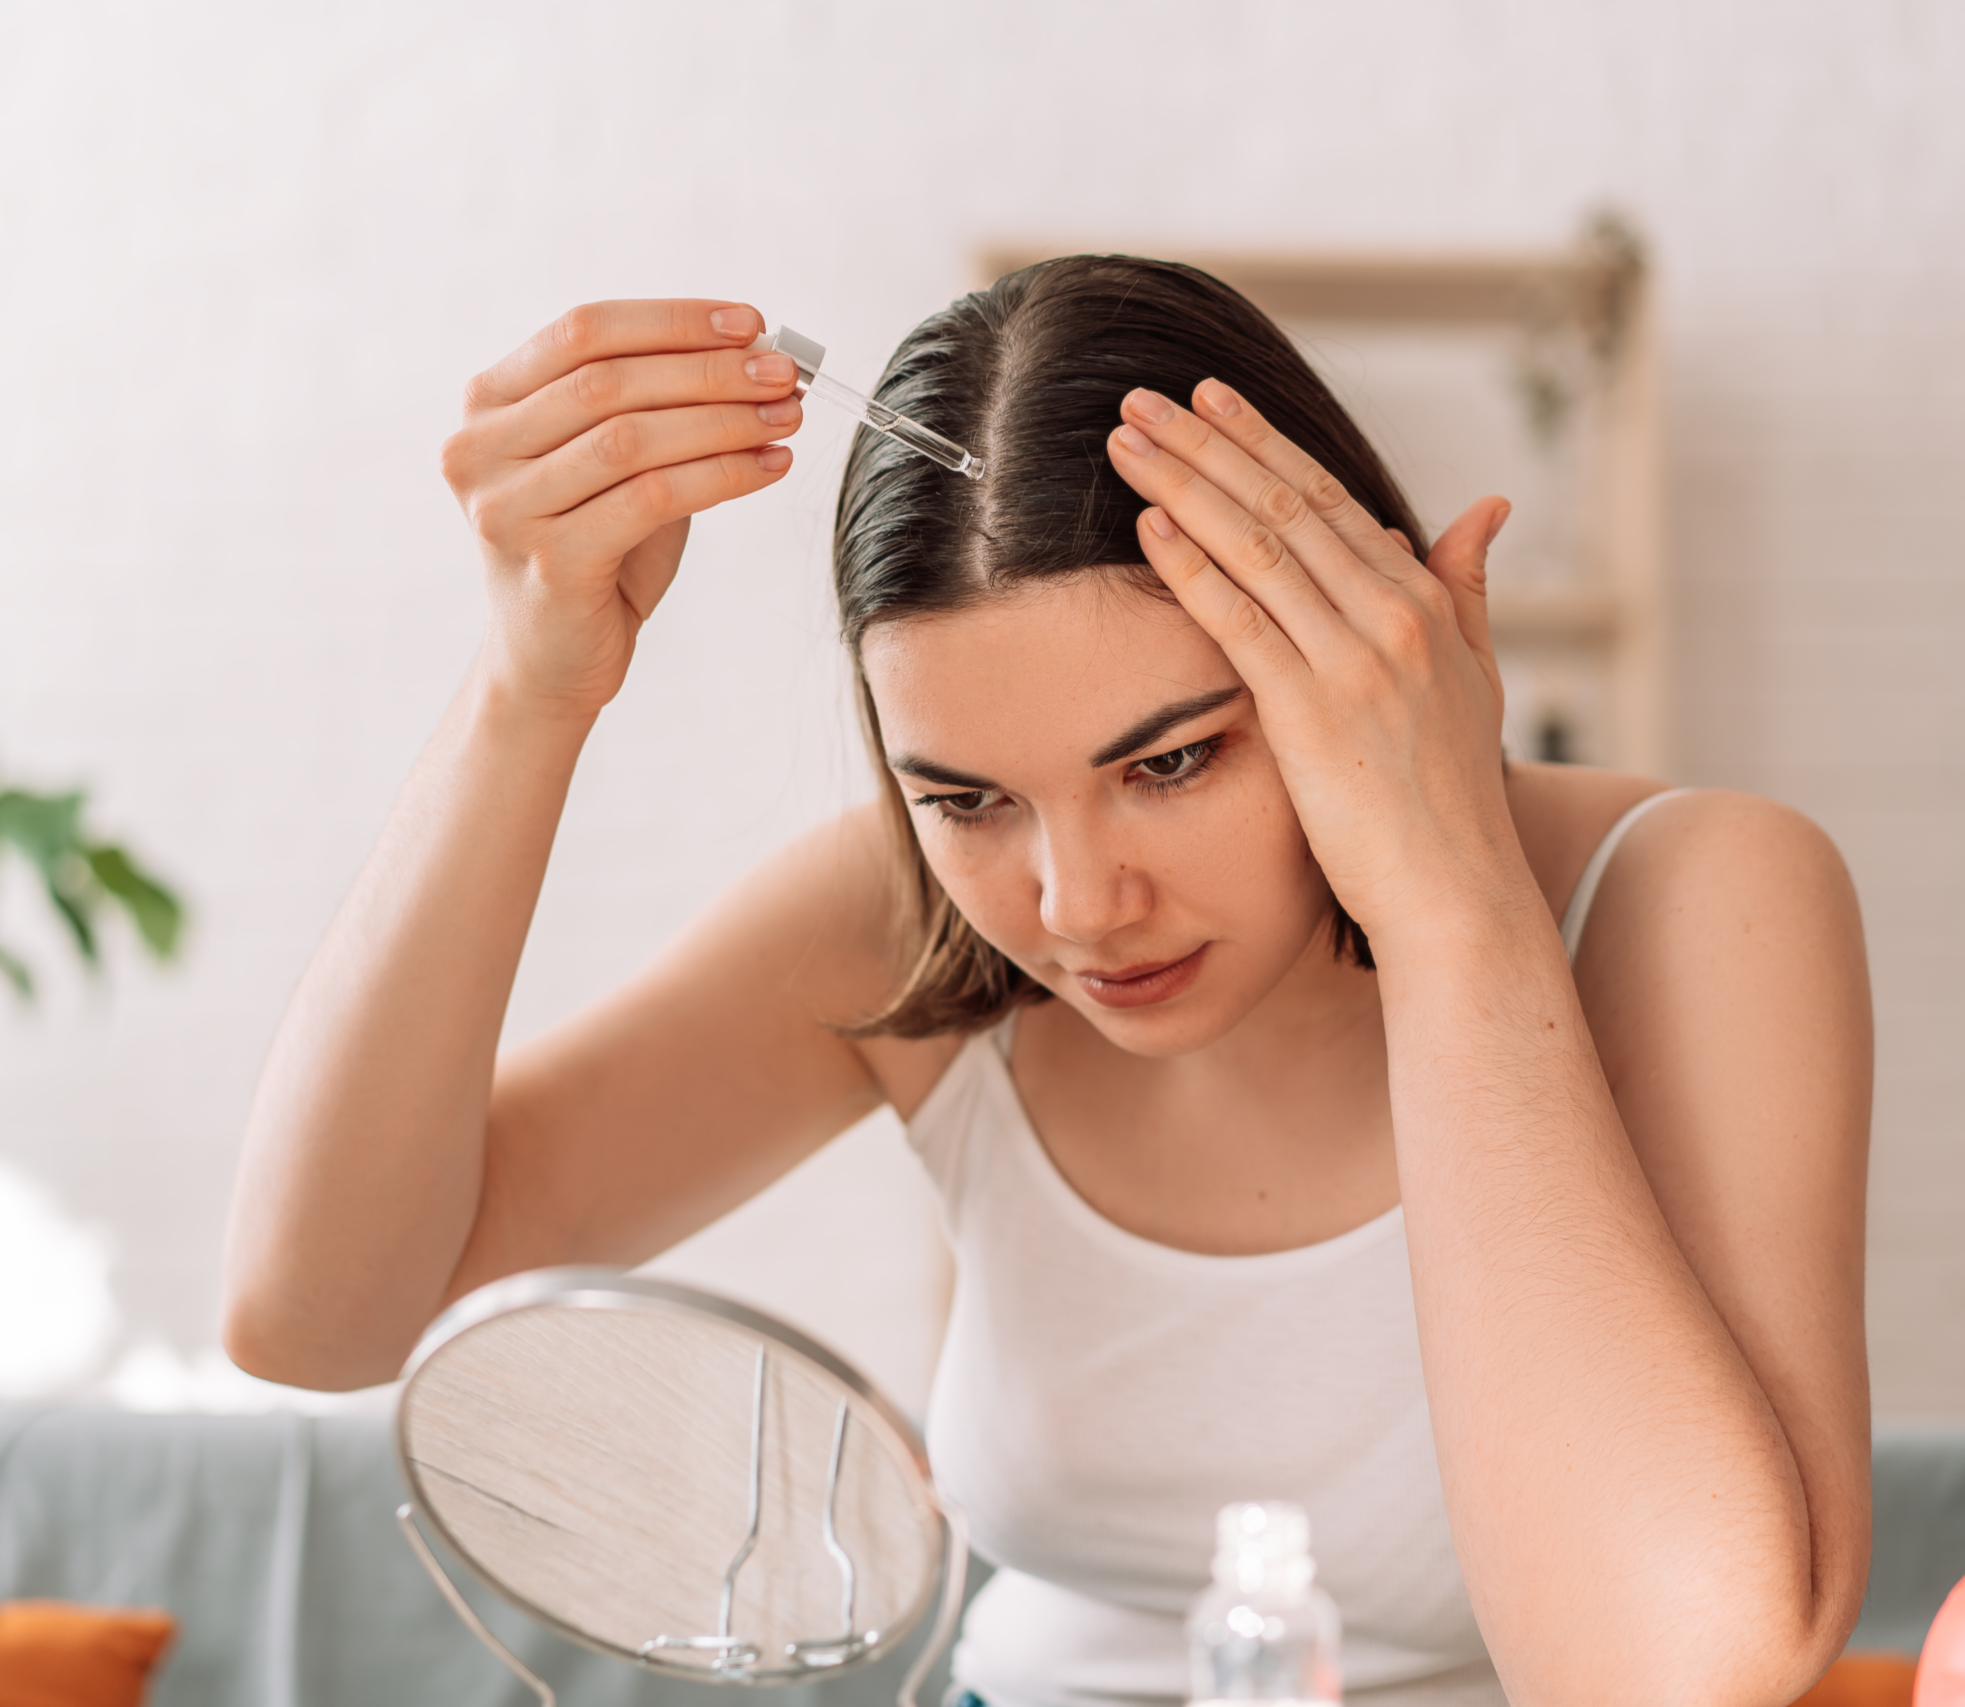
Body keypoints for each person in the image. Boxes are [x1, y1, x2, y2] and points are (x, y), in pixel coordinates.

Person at [223, 256, 1873, 1707]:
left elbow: (1679, 1674)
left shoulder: (1689, 901)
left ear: (1369, 635)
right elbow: (323, 1314)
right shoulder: (905, 934)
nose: (1079, 908)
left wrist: (1448, 900)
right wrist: (530, 691)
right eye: (966, 800)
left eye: (1172, 763)